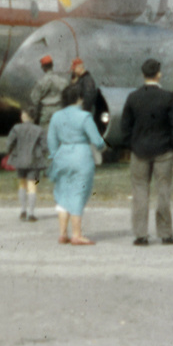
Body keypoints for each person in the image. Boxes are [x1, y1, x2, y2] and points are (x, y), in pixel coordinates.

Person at [113, 58, 173, 246]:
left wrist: (131, 145)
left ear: (143, 75)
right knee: (163, 191)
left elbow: (125, 126)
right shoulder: (169, 97)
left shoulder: (133, 97)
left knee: (140, 192)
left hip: (140, 150)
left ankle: (141, 234)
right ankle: (166, 233)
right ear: (158, 74)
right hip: (164, 150)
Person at [47, 85, 106, 245]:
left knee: (63, 192)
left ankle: (62, 233)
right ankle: (77, 234)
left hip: (62, 154)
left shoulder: (56, 116)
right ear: (79, 98)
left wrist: (54, 156)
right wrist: (102, 146)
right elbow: (97, 141)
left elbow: (51, 140)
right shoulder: (84, 116)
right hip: (81, 156)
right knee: (78, 193)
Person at [5, 109, 44, 222]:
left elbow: (10, 143)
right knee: (32, 186)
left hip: (20, 159)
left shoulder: (16, 128)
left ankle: (23, 210)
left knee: (22, 184)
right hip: (34, 161)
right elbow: (44, 146)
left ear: (24, 116)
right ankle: (31, 213)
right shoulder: (39, 129)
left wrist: (10, 152)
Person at [27, 55, 66, 131]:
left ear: (43, 68)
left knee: (45, 135)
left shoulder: (40, 82)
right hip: (59, 109)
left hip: (45, 111)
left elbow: (34, 99)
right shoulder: (62, 81)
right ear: (52, 65)